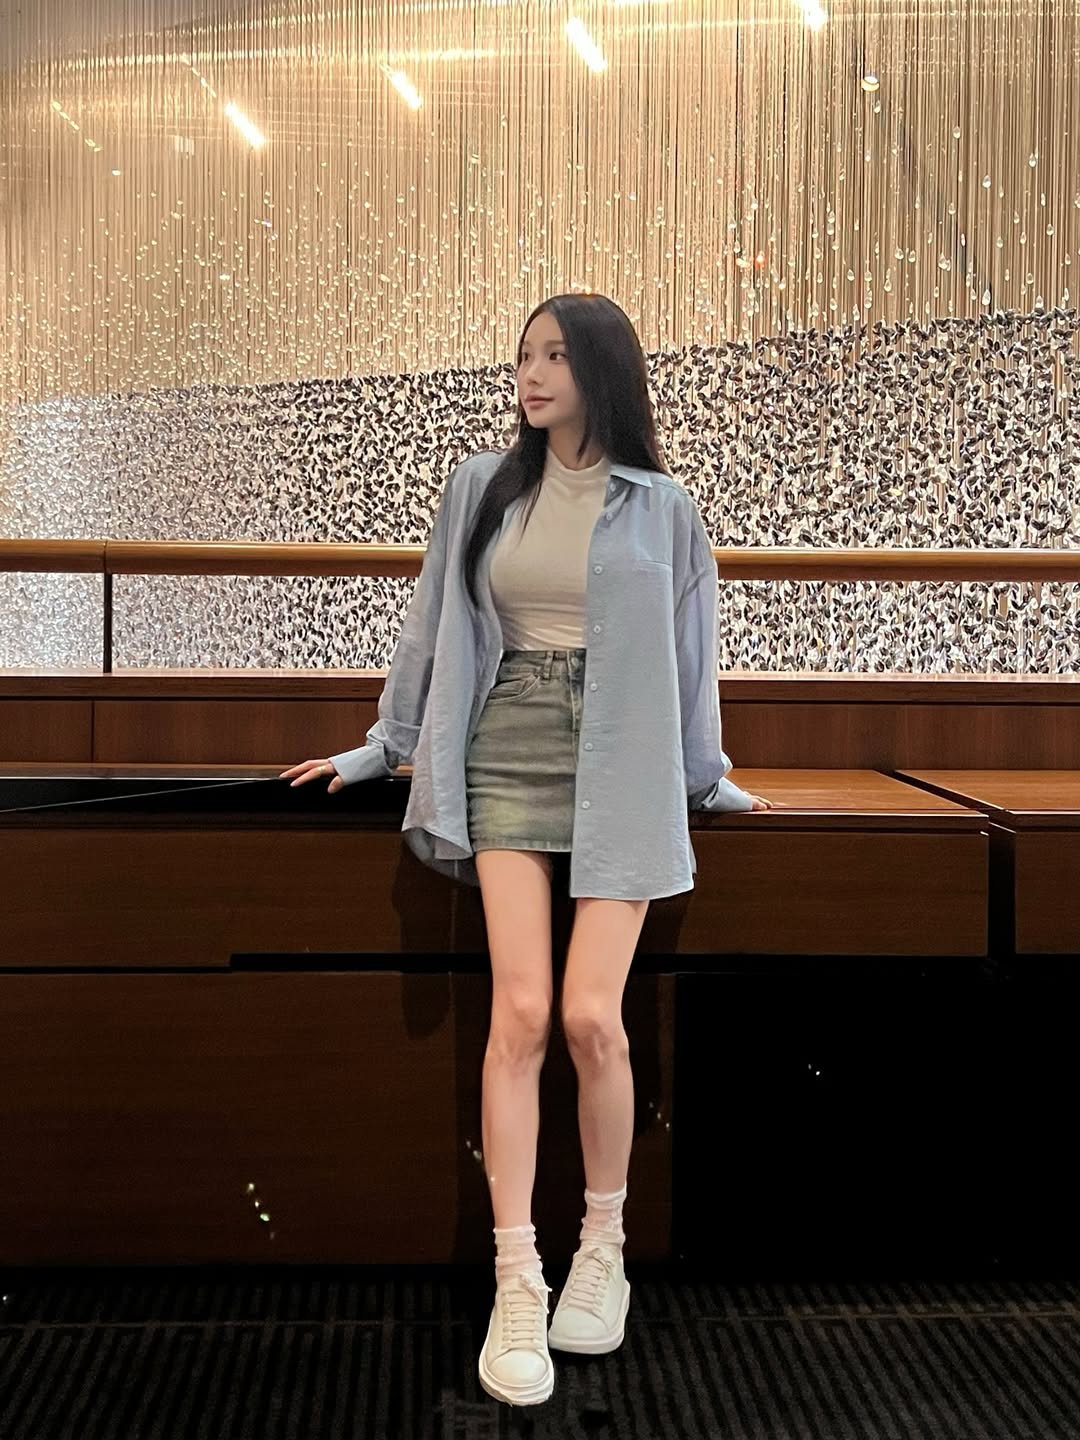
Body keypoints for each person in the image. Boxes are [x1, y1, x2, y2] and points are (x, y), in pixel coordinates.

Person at [281, 292, 773, 1408]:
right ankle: (517, 1274)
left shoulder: (664, 507)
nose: (532, 374)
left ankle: (603, 1248)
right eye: (524, 356)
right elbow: (430, 628)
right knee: (523, 1013)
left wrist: (707, 778)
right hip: (506, 743)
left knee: (595, 1018)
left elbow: (692, 654)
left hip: (628, 757)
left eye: (555, 355)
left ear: (603, 369)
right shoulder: (480, 488)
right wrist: (381, 748)